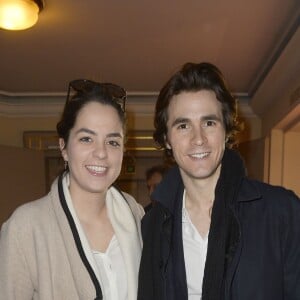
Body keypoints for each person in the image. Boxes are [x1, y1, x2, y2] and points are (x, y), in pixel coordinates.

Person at [137, 62, 300, 299]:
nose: (198, 139)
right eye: (183, 125)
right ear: (167, 139)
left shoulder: (282, 211)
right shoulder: (151, 224)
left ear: (226, 131)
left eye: (209, 123)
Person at [0, 79, 144, 299]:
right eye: (87, 139)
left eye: (113, 142)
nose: (101, 153)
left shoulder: (135, 214)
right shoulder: (26, 227)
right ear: (64, 148)